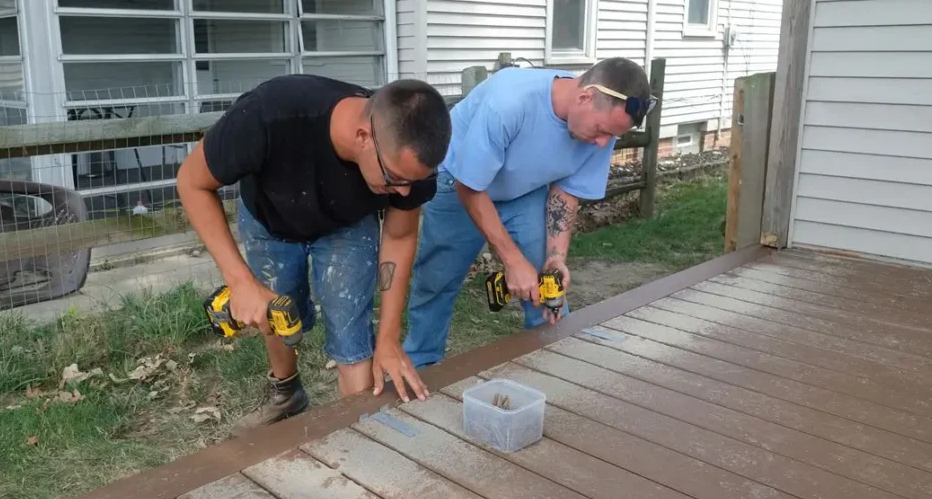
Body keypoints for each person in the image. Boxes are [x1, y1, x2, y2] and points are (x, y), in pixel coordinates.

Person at [176, 74, 452, 429]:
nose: (403, 193)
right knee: (274, 310)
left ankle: (359, 429)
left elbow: (398, 239)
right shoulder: (269, 114)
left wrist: (388, 337)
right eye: (395, 179)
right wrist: (240, 280)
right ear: (363, 137)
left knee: (352, 329)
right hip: (270, 217)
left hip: (346, 224)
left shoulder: (408, 165)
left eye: (412, 183)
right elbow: (191, 181)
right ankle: (286, 391)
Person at [402, 57, 654, 369]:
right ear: (585, 97)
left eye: (613, 136)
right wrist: (512, 260)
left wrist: (556, 257)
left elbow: (568, 192)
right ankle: (420, 367)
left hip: (522, 188)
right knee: (437, 281)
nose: (604, 144)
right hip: (460, 182)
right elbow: (469, 189)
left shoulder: (601, 132)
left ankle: (552, 362)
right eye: (602, 130)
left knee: (546, 282)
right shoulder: (509, 102)